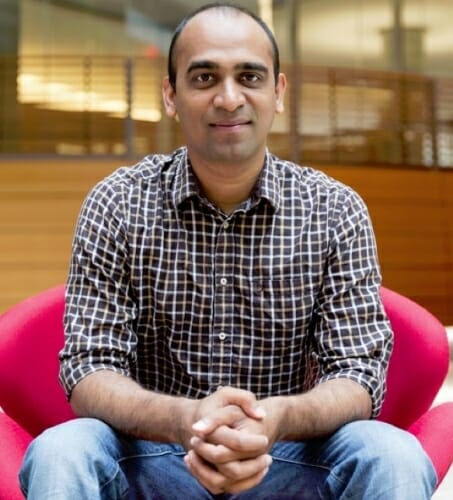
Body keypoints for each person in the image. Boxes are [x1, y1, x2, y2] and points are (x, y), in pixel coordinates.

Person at [19, 2, 436, 498]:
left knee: (392, 454)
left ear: (278, 93)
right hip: (154, 458)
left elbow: (359, 374)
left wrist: (275, 419)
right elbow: (89, 369)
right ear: (171, 95)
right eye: (204, 78)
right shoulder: (117, 203)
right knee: (61, 450)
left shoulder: (335, 210)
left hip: (285, 458)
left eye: (250, 76)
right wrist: (187, 420)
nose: (229, 97)